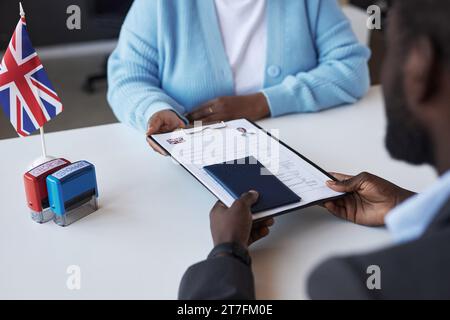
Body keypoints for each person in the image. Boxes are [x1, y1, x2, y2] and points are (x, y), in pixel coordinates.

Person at [178, 0, 450, 299]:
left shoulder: (354, 286)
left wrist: (227, 252)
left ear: (419, 67)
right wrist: (409, 207)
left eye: (392, 50)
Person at [107, 0, 370, 155]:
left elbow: (351, 70)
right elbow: (127, 79)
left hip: (305, 151)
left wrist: (262, 103)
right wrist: (155, 109)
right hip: (194, 158)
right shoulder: (159, 5)